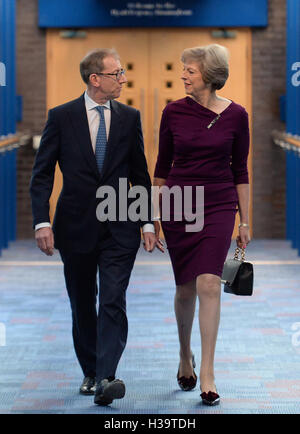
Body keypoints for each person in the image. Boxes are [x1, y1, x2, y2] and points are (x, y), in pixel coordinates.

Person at [30, 48, 156, 406]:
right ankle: (91, 370)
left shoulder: (129, 118)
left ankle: (106, 377)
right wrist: (42, 221)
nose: (124, 79)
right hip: (75, 226)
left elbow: (140, 176)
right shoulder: (61, 117)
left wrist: (146, 221)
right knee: (83, 302)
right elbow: (41, 176)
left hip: (120, 228)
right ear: (95, 79)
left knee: (113, 298)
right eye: (118, 73)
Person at [153, 44, 251, 406]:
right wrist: (154, 217)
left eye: (189, 71)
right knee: (185, 289)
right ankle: (184, 354)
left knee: (209, 282)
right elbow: (162, 167)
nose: (183, 75)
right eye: (183, 69)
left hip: (220, 204)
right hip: (180, 206)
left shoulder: (237, 115)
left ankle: (208, 372)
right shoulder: (173, 112)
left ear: (209, 76)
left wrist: (246, 219)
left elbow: (240, 170)